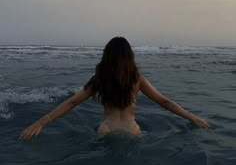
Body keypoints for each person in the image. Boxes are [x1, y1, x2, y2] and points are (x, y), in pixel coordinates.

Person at [19, 37, 208, 140]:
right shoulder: (138, 80)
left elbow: (72, 101)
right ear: (130, 56)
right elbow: (164, 102)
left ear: (106, 56)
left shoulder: (99, 79)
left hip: (106, 129)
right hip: (131, 130)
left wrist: (40, 123)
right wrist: (194, 118)